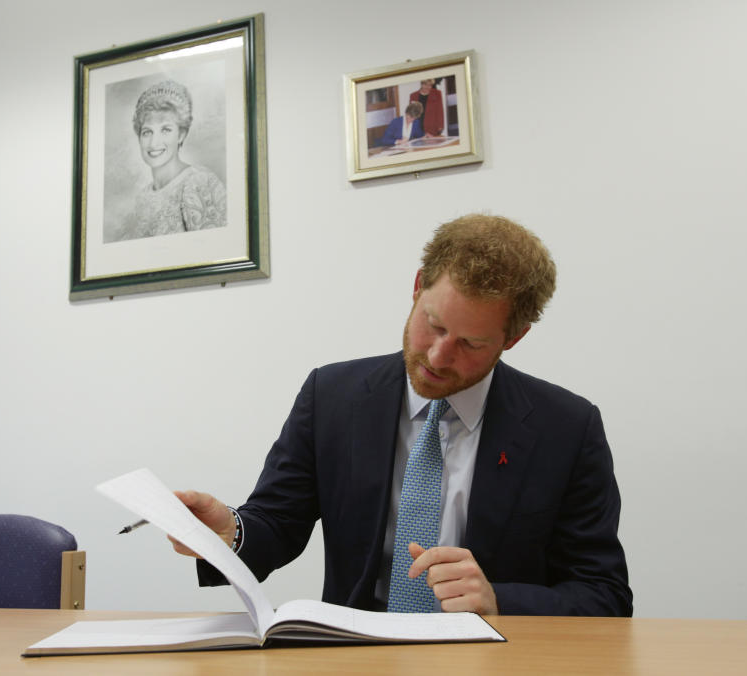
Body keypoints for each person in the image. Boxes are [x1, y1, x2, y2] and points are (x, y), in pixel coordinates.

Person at [170, 214, 632, 617]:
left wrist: (499, 600)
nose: (438, 355)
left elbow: (603, 594)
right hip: (358, 653)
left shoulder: (567, 429)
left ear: (513, 339)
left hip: (495, 656)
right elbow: (277, 526)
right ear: (416, 288)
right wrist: (228, 533)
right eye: (433, 323)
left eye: (470, 344)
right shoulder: (332, 397)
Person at [125, 80, 226, 240]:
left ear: (181, 134)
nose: (154, 143)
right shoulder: (142, 198)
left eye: (165, 130)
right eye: (147, 132)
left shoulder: (199, 183)